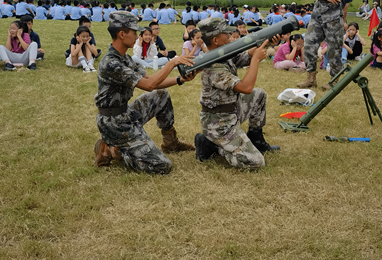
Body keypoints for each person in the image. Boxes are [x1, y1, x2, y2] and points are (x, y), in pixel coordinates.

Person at [93, 11, 197, 174]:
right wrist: (173, 62)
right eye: (134, 32)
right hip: (114, 123)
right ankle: (113, 150)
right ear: (122, 34)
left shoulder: (125, 59)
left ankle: (171, 144)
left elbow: (152, 81)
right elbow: (149, 85)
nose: (137, 36)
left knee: (161, 94)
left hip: (124, 113)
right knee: (162, 165)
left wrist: (180, 80)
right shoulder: (111, 63)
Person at [193, 17, 280, 168]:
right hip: (219, 123)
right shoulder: (213, 67)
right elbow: (245, 87)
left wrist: (268, 42)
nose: (230, 35)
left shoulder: (224, 54)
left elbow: (248, 55)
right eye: (225, 34)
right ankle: (212, 145)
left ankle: (256, 138)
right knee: (255, 162)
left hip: (232, 110)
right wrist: (256, 61)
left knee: (258, 94)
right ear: (215, 40)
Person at [299, 0, 348, 90]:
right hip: (318, 13)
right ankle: (311, 78)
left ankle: (335, 80)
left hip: (333, 16)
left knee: (334, 49)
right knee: (309, 43)